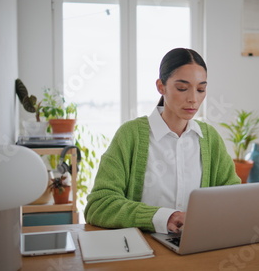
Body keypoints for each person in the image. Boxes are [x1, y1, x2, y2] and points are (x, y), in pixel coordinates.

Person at [84, 48, 241, 234]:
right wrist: (163, 218)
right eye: (182, 88)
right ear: (161, 86)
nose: (193, 99)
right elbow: (100, 206)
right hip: (141, 247)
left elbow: (233, 197)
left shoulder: (210, 138)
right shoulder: (130, 135)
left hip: (197, 245)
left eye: (201, 89)